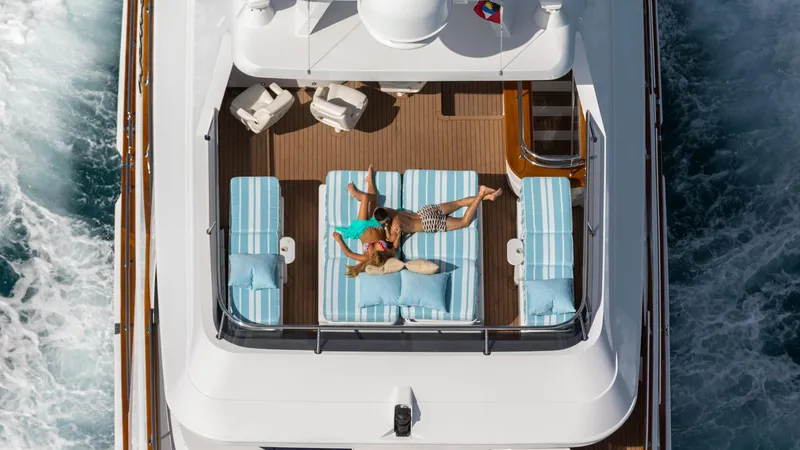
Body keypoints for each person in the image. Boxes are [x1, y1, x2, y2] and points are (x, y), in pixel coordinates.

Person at [331, 165, 399, 277]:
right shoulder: (385, 254)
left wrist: (339, 240)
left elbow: (349, 254)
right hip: (377, 225)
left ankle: (355, 193)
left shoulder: (366, 257)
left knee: (365, 198)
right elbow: (395, 247)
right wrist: (395, 232)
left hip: (361, 228)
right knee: (374, 202)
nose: (378, 255)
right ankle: (369, 179)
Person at [374, 185, 502, 234]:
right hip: (425, 211)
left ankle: (481, 193)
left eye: (386, 222)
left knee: (464, 222)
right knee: (459, 202)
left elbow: (393, 246)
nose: (386, 224)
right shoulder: (386, 210)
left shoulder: (393, 227)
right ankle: (489, 196)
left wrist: (387, 230)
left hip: (428, 223)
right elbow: (376, 207)